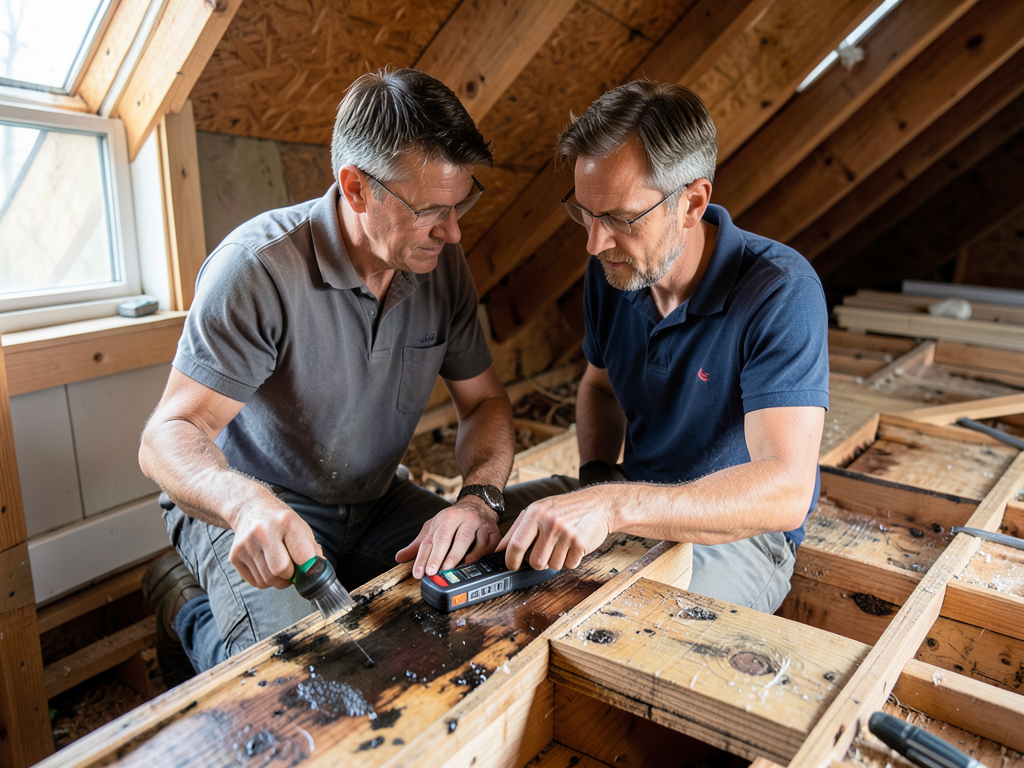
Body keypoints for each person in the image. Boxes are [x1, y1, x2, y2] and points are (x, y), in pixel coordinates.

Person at [139, 68, 515, 682]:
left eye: (462, 202)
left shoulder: (439, 263)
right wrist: (243, 502)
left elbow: (484, 404)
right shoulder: (257, 269)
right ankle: (189, 610)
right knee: (296, 680)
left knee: (490, 603)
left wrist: (478, 499)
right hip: (260, 509)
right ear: (356, 188)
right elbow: (166, 435)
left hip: (375, 498)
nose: (453, 231)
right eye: (430, 210)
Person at [497, 80, 828, 613]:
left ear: (692, 203)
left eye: (620, 218)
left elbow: (786, 490)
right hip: (630, 499)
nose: (594, 242)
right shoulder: (613, 268)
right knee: (477, 537)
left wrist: (613, 505)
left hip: (739, 535)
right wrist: (597, 483)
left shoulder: (780, 291)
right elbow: (600, 389)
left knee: (624, 627)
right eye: (585, 212)